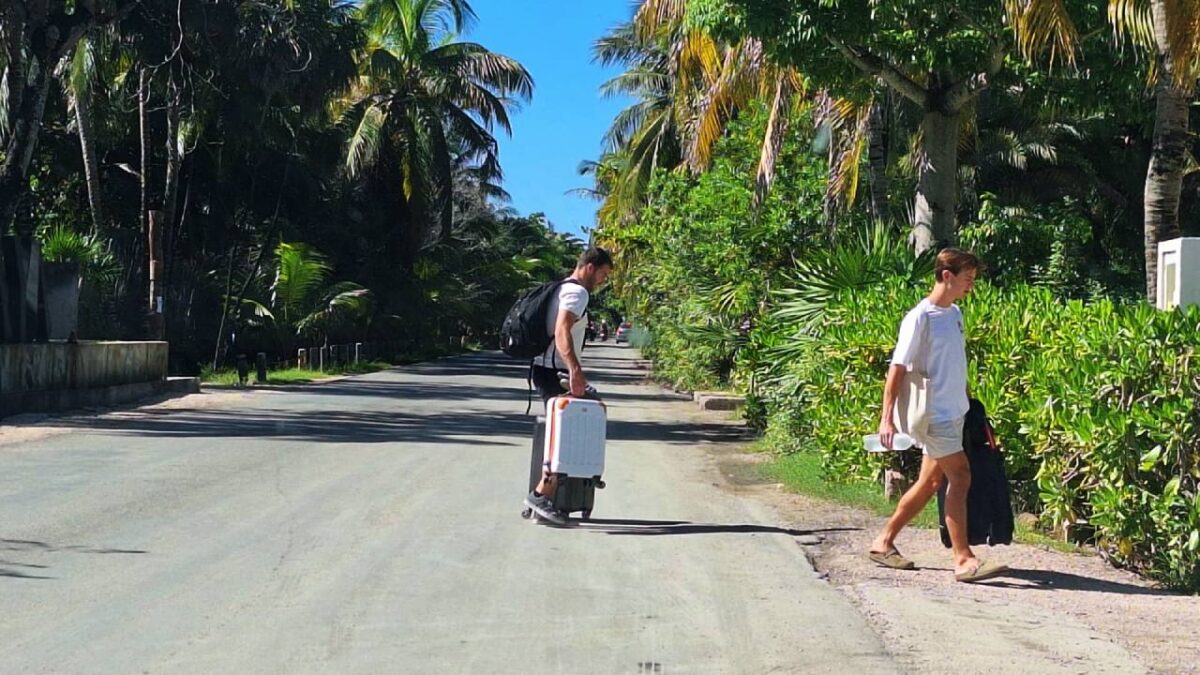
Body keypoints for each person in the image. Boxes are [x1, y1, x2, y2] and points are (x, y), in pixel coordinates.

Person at [868, 248, 1008, 583]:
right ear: (947, 276)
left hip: (954, 411)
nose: (970, 286)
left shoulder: (954, 313)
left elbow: (953, 364)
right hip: (934, 414)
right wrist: (886, 417)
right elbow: (897, 369)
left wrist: (969, 402)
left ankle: (883, 542)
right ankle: (964, 560)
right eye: (967, 279)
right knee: (960, 477)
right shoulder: (920, 317)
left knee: (931, 482)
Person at [523, 247, 614, 524]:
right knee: (564, 435)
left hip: (545, 369)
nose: (603, 281)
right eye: (603, 274)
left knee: (558, 431)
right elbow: (562, 331)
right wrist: (575, 370)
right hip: (555, 371)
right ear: (590, 267)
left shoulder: (562, 287)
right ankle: (540, 495)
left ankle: (543, 499)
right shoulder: (577, 292)